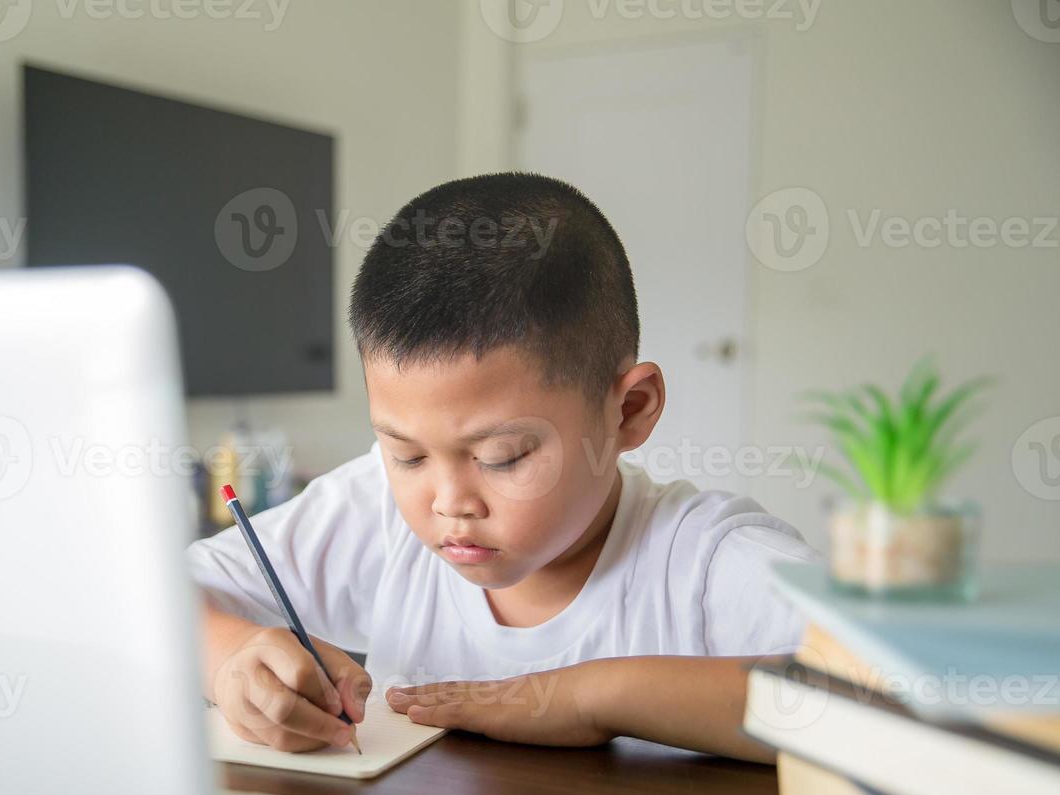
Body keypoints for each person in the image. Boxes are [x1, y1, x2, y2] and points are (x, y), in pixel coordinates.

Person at [187, 172, 817, 763]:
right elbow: (146, 598)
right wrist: (230, 657)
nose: (448, 501)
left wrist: (591, 698)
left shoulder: (705, 563)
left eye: (501, 457)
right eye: (405, 454)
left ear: (629, 411)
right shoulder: (374, 511)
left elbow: (895, 695)